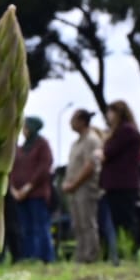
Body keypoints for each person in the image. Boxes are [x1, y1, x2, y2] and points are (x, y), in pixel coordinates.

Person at [99, 100, 140, 263]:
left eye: (110, 112)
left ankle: (129, 254)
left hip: (122, 183)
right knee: (120, 221)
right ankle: (124, 253)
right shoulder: (125, 131)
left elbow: (108, 153)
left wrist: (101, 152)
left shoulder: (126, 131)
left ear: (118, 113)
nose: (108, 116)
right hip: (118, 183)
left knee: (125, 221)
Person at [9, 116, 55, 262]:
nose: (23, 130)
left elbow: (44, 167)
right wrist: (14, 189)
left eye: (26, 127)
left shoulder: (42, 144)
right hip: (20, 195)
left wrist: (29, 186)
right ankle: (28, 256)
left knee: (40, 226)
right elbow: (13, 168)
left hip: (37, 194)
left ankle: (44, 257)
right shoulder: (21, 147)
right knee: (25, 228)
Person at [61, 109, 102, 263]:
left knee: (88, 223)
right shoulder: (75, 143)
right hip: (74, 188)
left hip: (85, 187)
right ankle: (81, 256)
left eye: (73, 119)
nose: (70, 123)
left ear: (82, 121)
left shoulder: (92, 140)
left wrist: (75, 183)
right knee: (78, 224)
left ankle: (91, 256)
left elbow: (90, 165)